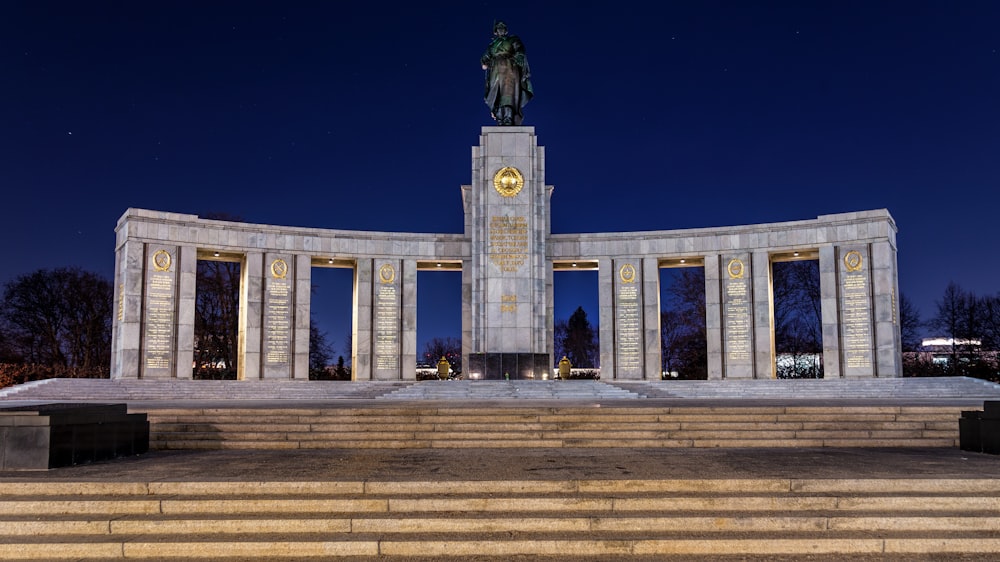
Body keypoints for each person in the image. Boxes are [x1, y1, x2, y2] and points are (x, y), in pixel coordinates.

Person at [480, 21, 533, 126]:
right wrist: (485, 61)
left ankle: (508, 117)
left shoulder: (512, 39)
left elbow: (520, 50)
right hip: (495, 70)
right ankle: (500, 117)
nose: (500, 29)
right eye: (498, 28)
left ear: (506, 30)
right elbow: (484, 60)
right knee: (496, 95)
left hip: (509, 68)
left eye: (502, 27)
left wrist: (517, 57)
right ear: (495, 31)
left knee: (508, 94)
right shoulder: (492, 45)